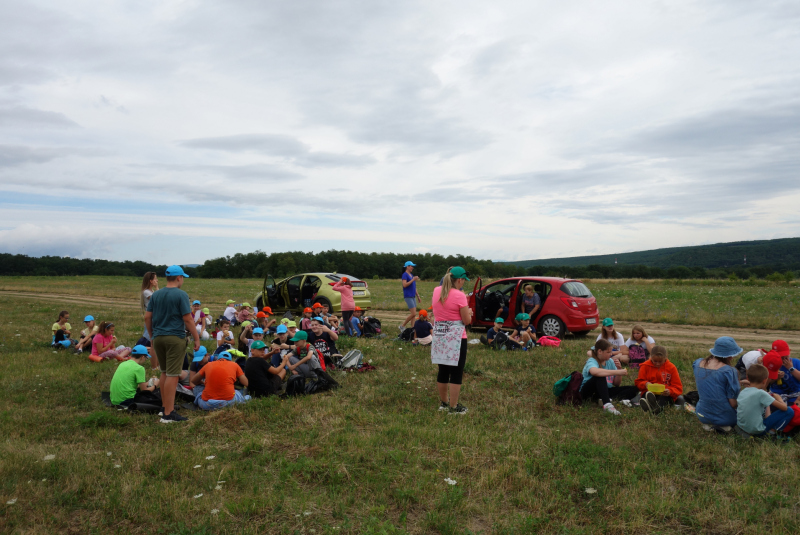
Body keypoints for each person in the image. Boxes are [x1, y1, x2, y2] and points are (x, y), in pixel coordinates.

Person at [145, 265, 200, 424]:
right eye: (182, 278)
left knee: (165, 372)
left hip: (159, 337)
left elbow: (147, 317)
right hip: (175, 337)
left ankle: (164, 407)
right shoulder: (181, 294)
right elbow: (188, 319)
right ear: (178, 278)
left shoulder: (157, 294)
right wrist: (196, 338)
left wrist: (151, 335)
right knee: (173, 374)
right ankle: (169, 414)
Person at [431, 266, 472, 415]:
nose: (463, 284)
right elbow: (466, 321)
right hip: (456, 338)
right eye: (463, 281)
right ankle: (454, 408)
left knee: (442, 370)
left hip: (440, 336)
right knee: (456, 372)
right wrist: (469, 313)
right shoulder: (460, 295)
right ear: (459, 279)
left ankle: (444, 403)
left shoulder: (436, 291)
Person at [693, 336, 742, 432]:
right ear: (730, 356)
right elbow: (733, 404)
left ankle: (710, 424)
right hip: (726, 418)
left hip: (702, 414)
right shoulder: (729, 371)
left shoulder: (698, 363)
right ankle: (723, 425)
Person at [580, 339, 637, 416]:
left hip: (605, 390)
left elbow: (616, 384)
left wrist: (619, 370)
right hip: (588, 392)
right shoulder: (592, 361)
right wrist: (617, 372)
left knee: (634, 389)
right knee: (600, 376)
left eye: (611, 352)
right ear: (600, 351)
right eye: (608, 352)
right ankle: (607, 405)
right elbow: (594, 372)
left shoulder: (610, 361)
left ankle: (604, 399)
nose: (611, 354)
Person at [737, 363, 793, 436]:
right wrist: (779, 399)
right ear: (765, 380)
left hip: (742, 427)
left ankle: (769, 430)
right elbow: (784, 408)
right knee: (789, 411)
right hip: (757, 431)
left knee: (766, 404)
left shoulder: (743, 391)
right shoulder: (761, 393)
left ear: (747, 378)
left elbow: (766, 405)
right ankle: (772, 433)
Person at [635, 345, 685, 414]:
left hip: (665, 395)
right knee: (648, 395)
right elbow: (638, 383)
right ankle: (651, 405)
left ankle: (653, 408)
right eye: (655, 361)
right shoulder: (644, 366)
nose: (657, 364)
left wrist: (670, 391)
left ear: (665, 357)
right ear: (650, 357)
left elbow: (678, 387)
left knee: (663, 401)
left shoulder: (671, 367)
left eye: (660, 361)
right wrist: (645, 384)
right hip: (649, 392)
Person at [400, 261, 421, 331]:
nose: (412, 267)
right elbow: (404, 285)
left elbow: (414, 287)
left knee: (414, 314)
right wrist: (413, 279)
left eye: (413, 266)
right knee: (413, 313)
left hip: (413, 296)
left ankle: (413, 328)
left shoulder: (411, 275)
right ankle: (402, 326)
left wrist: (418, 296)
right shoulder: (405, 275)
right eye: (411, 266)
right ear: (407, 266)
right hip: (408, 296)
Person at [140, 272, 158, 341]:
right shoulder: (146, 292)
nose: (157, 280)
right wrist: (157, 287)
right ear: (151, 281)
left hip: (154, 316)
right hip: (151, 316)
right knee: (148, 335)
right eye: (155, 279)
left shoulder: (151, 291)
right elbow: (158, 300)